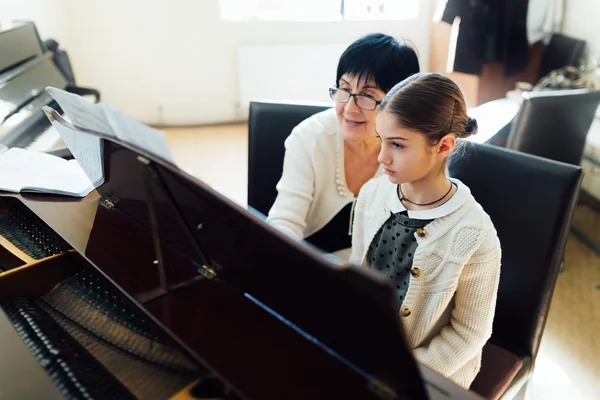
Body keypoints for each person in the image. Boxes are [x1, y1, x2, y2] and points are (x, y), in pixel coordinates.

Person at [350, 73, 501, 389]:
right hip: (366, 354)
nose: (382, 157)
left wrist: (402, 374)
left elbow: (469, 334)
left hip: (427, 377)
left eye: (398, 145)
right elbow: (358, 276)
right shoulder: (372, 194)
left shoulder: (475, 234)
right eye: (381, 139)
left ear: (444, 145)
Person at [266, 33, 420, 257]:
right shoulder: (310, 138)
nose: (349, 108)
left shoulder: (415, 148)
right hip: (308, 265)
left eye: (367, 96)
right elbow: (284, 222)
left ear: (400, 103)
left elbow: (422, 232)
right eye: (344, 89)